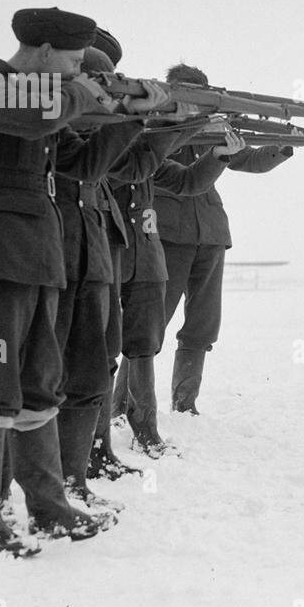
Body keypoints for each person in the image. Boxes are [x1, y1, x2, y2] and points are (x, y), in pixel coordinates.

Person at [0, 7, 156, 556]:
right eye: (70, 60)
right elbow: (48, 113)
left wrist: (139, 117)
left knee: (40, 385)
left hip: (40, 259)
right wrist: (96, 93)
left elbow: (85, 166)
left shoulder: (45, 100)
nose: (76, 71)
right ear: (42, 50)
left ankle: (47, 509)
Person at [50, 32, 170, 509]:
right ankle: (54, 481)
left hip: (97, 249)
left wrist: (171, 125)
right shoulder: (52, 121)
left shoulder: (90, 124)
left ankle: (84, 467)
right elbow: (109, 165)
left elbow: (131, 164)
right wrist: (140, 116)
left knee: (97, 363)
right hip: (62, 251)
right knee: (48, 373)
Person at [105, 106, 247, 456]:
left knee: (143, 340)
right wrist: (182, 127)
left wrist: (217, 154)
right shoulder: (110, 145)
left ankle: (144, 431)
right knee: (104, 346)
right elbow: (133, 163)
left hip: (145, 254)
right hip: (111, 252)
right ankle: (99, 437)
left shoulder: (147, 153)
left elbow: (188, 181)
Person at [154, 63, 295, 415]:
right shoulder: (154, 130)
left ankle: (184, 405)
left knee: (202, 325)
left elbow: (250, 160)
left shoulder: (215, 128)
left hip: (211, 235)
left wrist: (283, 144)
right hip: (168, 234)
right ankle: (125, 405)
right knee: (150, 325)